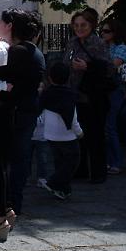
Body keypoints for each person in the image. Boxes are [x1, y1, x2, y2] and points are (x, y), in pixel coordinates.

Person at [0, 9, 43, 241]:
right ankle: (5, 210)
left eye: (2, 22)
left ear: (10, 25)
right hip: (6, 114)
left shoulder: (19, 52)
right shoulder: (27, 51)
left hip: (1, 116)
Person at [63, 9, 110, 183]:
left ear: (91, 25)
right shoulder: (72, 42)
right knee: (78, 135)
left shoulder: (97, 43)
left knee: (95, 135)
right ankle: (80, 169)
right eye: (76, 25)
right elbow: (65, 64)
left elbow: (108, 69)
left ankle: (98, 173)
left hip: (93, 97)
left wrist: (87, 67)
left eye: (83, 25)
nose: (79, 28)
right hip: (75, 95)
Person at [40, 62, 83, 199]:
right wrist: (79, 132)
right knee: (72, 160)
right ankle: (54, 182)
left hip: (50, 134)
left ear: (50, 78)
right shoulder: (69, 95)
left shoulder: (46, 93)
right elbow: (72, 117)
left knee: (59, 161)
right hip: (67, 135)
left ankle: (64, 189)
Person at [101, 19, 126, 174]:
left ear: (115, 33)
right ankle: (110, 161)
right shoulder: (103, 47)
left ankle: (116, 162)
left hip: (116, 89)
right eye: (102, 31)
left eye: (107, 31)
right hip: (105, 89)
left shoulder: (121, 48)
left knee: (110, 126)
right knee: (106, 127)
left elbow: (113, 65)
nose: (103, 33)